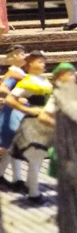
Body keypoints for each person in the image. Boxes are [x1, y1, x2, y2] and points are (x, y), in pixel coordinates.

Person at [3, 52, 58, 203]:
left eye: (43, 62)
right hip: (33, 122)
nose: (43, 64)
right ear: (30, 64)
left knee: (38, 158)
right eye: (39, 62)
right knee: (35, 157)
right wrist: (27, 109)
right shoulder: (27, 82)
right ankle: (33, 192)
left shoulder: (43, 81)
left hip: (45, 120)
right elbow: (9, 99)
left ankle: (29, 185)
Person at [0, 45, 28, 192]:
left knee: (10, 147)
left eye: (24, 53)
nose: (24, 55)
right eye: (20, 53)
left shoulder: (20, 73)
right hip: (12, 115)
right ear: (11, 57)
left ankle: (6, 176)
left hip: (17, 114)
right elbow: (2, 90)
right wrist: (16, 99)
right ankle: (17, 179)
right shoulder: (12, 74)